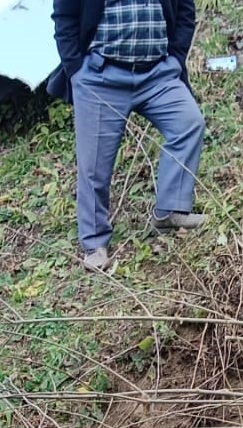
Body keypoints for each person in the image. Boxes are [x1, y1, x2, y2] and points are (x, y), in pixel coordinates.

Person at [49, 0, 206, 272]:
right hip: (100, 76)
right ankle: (95, 244)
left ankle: (170, 210)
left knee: (188, 124)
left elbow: (185, 9)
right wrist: (76, 70)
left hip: (158, 74)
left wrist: (176, 58)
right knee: (94, 165)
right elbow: (64, 14)